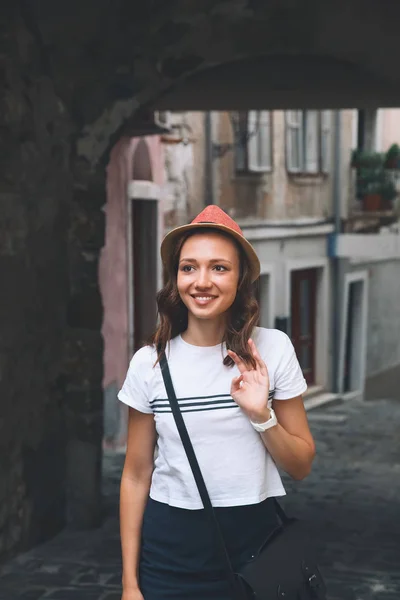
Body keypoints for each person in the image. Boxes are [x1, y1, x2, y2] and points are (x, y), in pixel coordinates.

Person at [118, 205, 316, 600]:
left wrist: (262, 416)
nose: (202, 281)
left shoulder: (272, 350)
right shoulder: (150, 362)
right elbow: (136, 474)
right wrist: (129, 583)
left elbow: (301, 465)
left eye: (219, 268)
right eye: (189, 267)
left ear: (240, 278)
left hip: (254, 548)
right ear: (175, 279)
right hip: (169, 552)